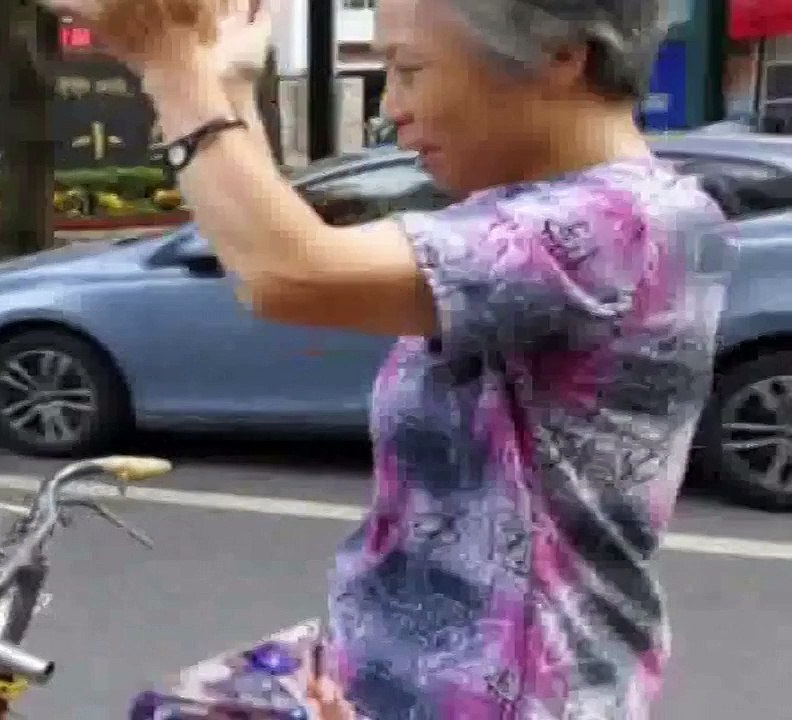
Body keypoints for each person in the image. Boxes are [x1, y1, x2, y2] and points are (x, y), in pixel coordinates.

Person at [46, 0, 734, 718]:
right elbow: (280, 252)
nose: (391, 107)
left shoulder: (614, 224)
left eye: (408, 71)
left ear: (561, 56)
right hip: (390, 669)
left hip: (493, 692)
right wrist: (232, 88)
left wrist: (172, 68)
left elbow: (292, 274)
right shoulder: (564, 210)